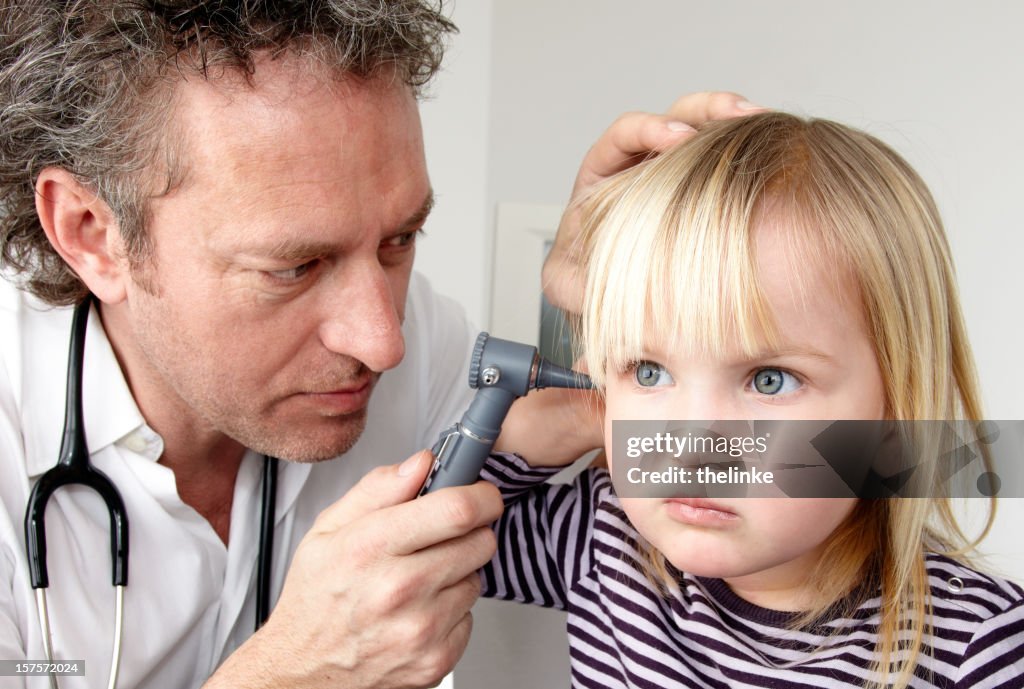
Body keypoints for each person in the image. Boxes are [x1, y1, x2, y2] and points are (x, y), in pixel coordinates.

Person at [0, 1, 759, 687]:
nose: (383, 342)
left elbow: (840, 464)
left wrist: (604, 302)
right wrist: (291, 674)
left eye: (400, 239)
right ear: (91, 234)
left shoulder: (424, 344)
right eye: (293, 266)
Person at [480, 112, 1024, 688]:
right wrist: (551, 427)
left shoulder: (978, 645)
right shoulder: (604, 541)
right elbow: (431, 537)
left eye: (770, 379)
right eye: (649, 369)